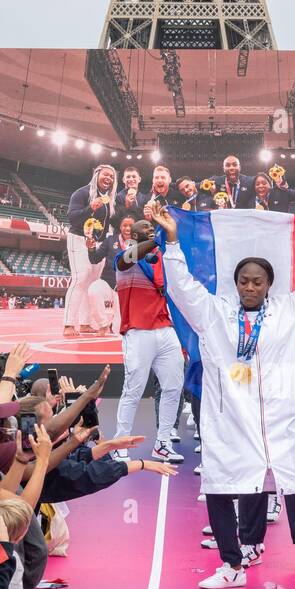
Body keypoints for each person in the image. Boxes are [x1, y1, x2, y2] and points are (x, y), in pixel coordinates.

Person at [150, 204, 295, 589]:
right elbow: (182, 285)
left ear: (268, 284)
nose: (250, 287)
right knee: (221, 488)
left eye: (257, 281)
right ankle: (232, 565)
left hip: (282, 418)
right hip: (231, 421)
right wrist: (171, 242)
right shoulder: (213, 313)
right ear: (236, 284)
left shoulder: (292, 310)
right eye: (244, 281)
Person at [107, 218, 185, 463]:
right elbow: (125, 258)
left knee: (173, 386)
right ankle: (121, 443)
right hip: (137, 330)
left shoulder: (160, 258)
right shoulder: (125, 259)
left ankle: (162, 443)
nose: (152, 231)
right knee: (133, 390)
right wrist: (155, 240)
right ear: (134, 234)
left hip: (165, 328)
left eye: (153, 229)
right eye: (147, 230)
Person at [63, 164, 118, 336]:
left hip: (98, 243)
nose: (108, 178)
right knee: (80, 278)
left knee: (92, 283)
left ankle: (85, 323)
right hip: (79, 239)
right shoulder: (82, 193)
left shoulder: (109, 200)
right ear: (96, 174)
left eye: (111, 176)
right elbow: (72, 217)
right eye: (105, 174)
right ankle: (68, 324)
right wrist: (90, 209)